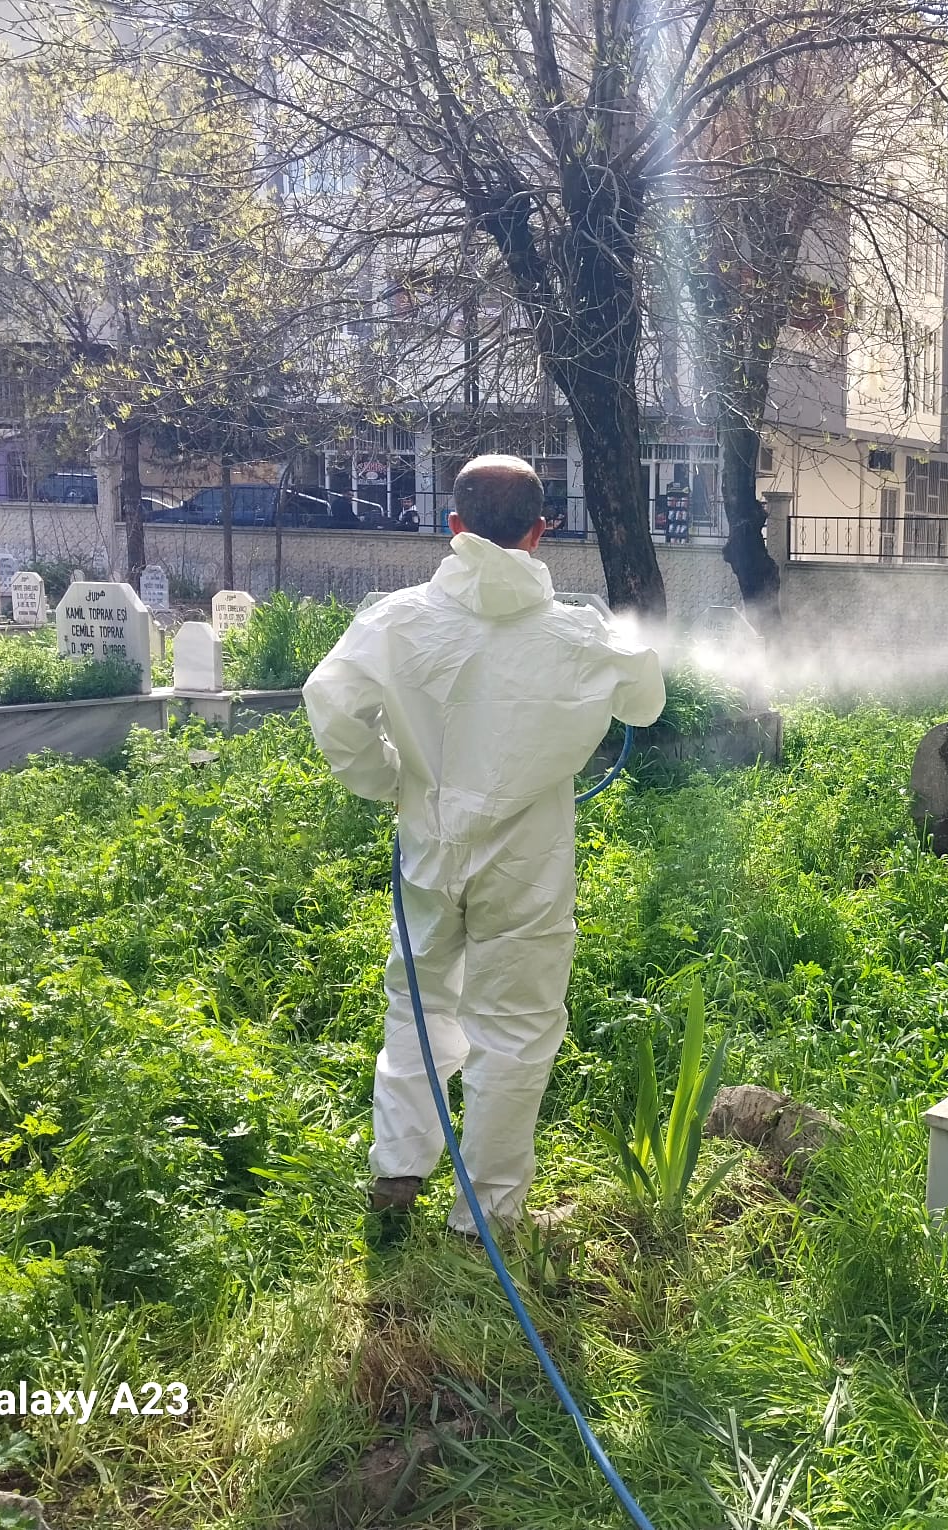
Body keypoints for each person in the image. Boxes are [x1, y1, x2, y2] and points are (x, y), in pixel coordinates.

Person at [304, 454, 665, 1236]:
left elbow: (330, 701)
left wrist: (386, 777)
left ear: (455, 527)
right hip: (529, 866)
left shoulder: (396, 620)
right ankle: (486, 1216)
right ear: (541, 532)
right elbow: (645, 700)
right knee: (517, 1030)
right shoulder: (577, 632)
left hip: (430, 848)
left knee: (420, 1004)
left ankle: (397, 1172)